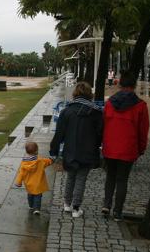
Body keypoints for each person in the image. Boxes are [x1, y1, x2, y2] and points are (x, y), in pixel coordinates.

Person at [50, 81, 103, 218]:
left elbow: (59, 133)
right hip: (88, 151)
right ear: (89, 94)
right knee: (81, 179)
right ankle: (76, 208)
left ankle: (67, 204)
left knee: (71, 177)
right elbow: (100, 134)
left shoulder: (67, 111)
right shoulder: (96, 112)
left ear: (75, 94)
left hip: (70, 150)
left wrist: (53, 150)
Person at [102, 72, 149, 221]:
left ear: (120, 84)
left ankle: (106, 205)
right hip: (128, 148)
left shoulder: (110, 103)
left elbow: (103, 125)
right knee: (122, 179)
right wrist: (141, 148)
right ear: (134, 86)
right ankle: (117, 211)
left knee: (110, 176)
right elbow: (143, 130)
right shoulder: (140, 106)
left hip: (110, 146)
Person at [15, 141, 53, 215]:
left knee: (30, 195)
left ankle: (31, 206)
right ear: (37, 151)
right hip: (38, 183)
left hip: (29, 184)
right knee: (38, 196)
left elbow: (21, 173)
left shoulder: (24, 163)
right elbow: (48, 162)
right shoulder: (40, 161)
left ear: (26, 151)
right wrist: (51, 160)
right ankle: (37, 209)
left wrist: (18, 182)